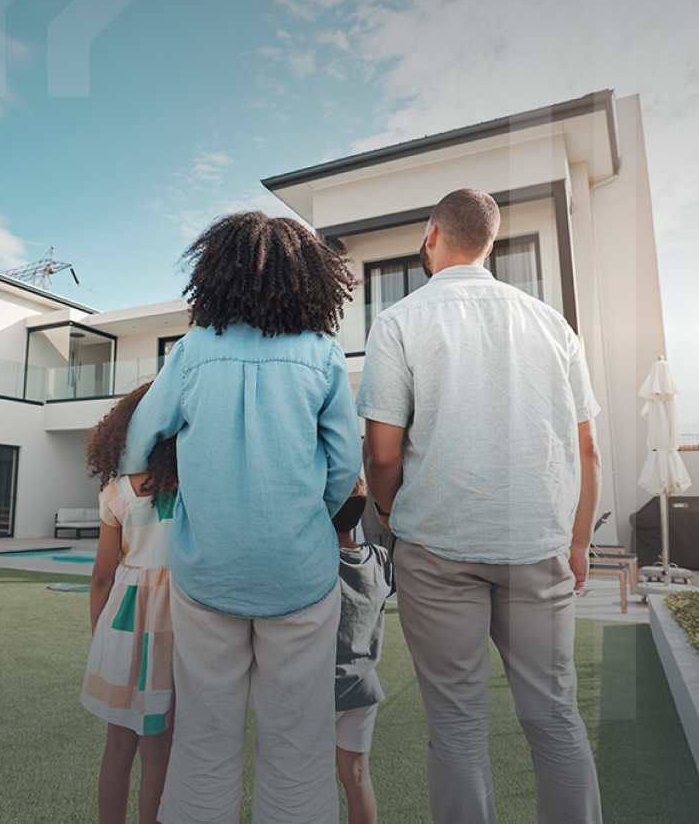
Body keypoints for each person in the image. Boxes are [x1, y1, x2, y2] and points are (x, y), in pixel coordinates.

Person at [357, 187, 603, 824]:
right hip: (537, 546)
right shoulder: (552, 325)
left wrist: (387, 516)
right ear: (489, 243)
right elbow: (587, 452)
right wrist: (578, 544)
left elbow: (381, 456)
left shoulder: (399, 322)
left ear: (433, 235)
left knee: (458, 730)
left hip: (436, 548)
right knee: (554, 720)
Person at [117, 210, 362, 824]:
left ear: (215, 274)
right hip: (301, 577)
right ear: (308, 279)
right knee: (299, 748)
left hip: (207, 576)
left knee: (203, 743)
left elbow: (138, 442)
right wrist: (309, 519)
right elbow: (343, 466)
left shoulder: (194, 350)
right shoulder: (324, 354)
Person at [81, 382, 177, 824]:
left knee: (117, 747)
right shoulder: (192, 489)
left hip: (120, 620)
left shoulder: (116, 492)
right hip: (175, 620)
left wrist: (100, 636)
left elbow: (102, 576)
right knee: (160, 749)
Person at [332, 477, 395, 824]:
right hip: (364, 688)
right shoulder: (380, 558)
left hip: (324, 689)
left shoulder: (320, 562)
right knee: (358, 777)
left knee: (309, 778)